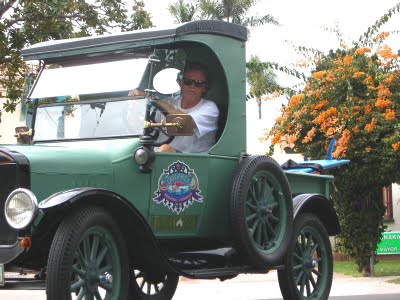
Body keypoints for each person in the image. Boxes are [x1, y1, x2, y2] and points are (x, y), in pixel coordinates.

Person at [129, 62, 219, 153]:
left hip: (191, 161)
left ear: (204, 88)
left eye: (198, 83)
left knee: (165, 149)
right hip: (157, 156)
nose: (192, 86)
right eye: (188, 82)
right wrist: (135, 106)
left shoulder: (210, 108)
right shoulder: (169, 102)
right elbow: (142, 125)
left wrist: (151, 98)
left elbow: (185, 124)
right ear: (181, 84)